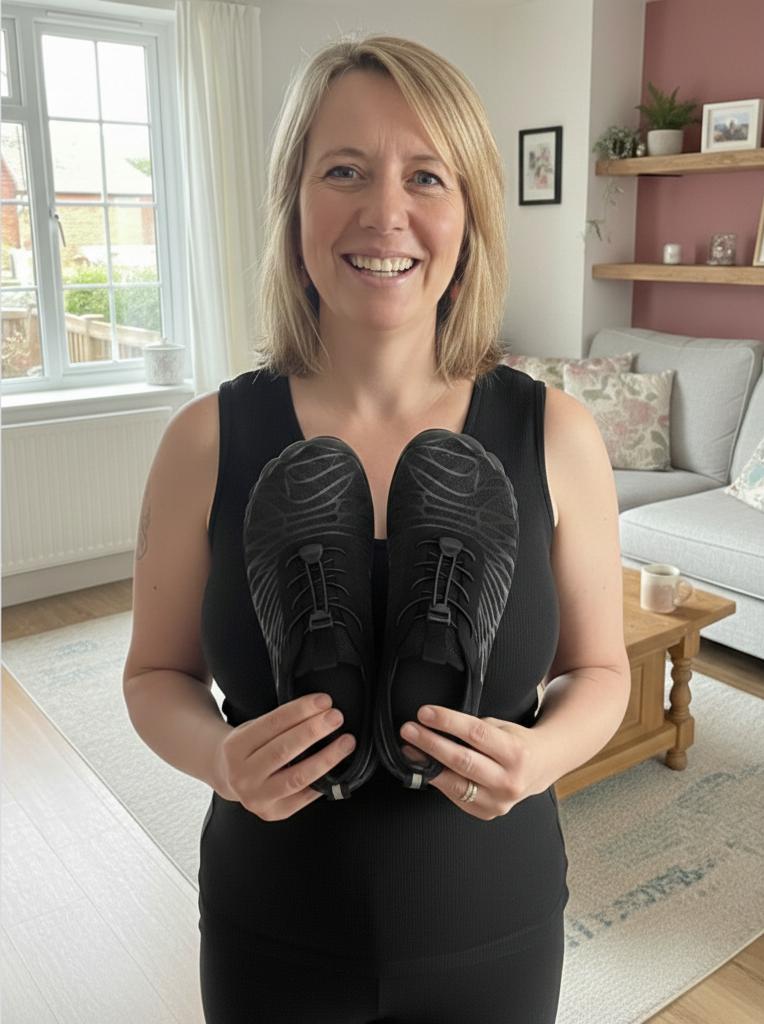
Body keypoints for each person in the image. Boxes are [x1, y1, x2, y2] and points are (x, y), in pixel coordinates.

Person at [122, 34, 631, 1024]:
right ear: (294, 203)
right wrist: (219, 758)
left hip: (496, 921)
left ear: (469, 212)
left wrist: (542, 754)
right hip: (268, 925)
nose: (383, 212)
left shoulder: (554, 433)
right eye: (342, 171)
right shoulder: (207, 441)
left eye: (425, 175)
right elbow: (153, 679)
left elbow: (600, 673)